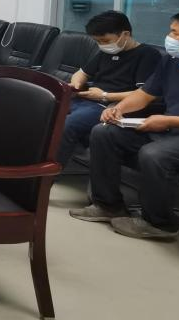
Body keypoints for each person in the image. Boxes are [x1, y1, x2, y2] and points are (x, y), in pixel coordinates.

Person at [69, 14, 179, 240]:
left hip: (170, 128)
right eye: (171, 31)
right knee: (103, 132)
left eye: (176, 34)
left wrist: (168, 121)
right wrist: (118, 109)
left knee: (153, 154)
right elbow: (144, 94)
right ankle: (108, 205)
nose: (170, 37)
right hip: (166, 127)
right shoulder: (171, 60)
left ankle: (159, 223)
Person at [57, 11, 161, 165]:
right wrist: (76, 85)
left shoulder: (148, 55)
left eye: (105, 40)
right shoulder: (104, 52)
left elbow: (144, 94)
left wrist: (105, 95)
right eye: (98, 41)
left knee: (67, 124)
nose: (102, 45)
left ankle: (49, 170)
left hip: (111, 107)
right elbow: (81, 73)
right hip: (88, 100)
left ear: (125, 34)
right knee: (47, 111)